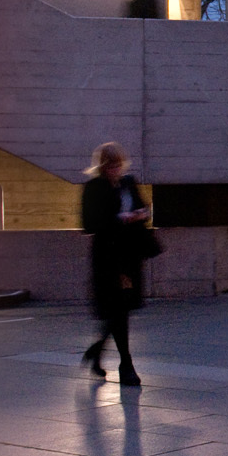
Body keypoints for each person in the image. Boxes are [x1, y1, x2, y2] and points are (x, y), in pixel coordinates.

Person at [78, 141, 154, 385]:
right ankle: (126, 365)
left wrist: (141, 214)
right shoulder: (94, 188)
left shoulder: (128, 183)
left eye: (118, 165)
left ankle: (97, 351)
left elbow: (142, 206)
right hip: (108, 257)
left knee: (121, 311)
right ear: (101, 166)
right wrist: (120, 218)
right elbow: (89, 224)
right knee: (117, 310)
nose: (115, 170)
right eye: (110, 165)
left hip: (129, 255)